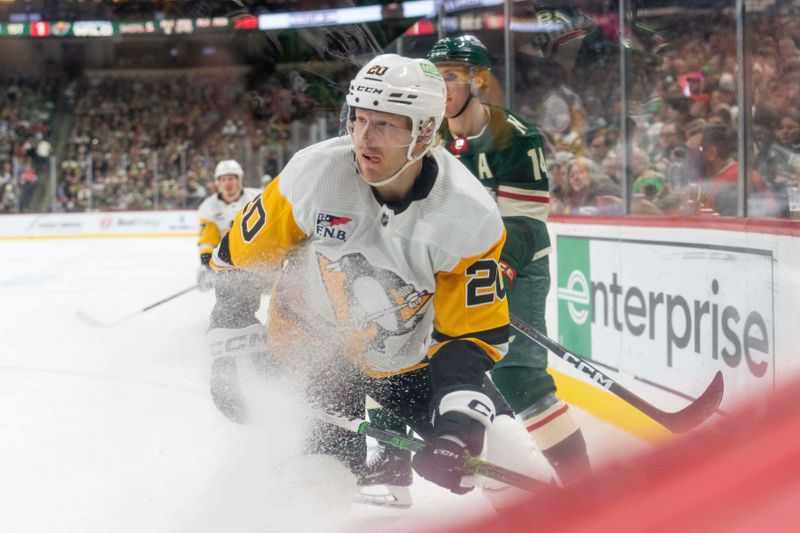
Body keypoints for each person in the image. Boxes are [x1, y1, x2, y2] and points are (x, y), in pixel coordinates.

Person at [362, 36, 592, 504]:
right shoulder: (428, 136)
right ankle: (392, 468)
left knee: (519, 379)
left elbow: (527, 221)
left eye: (451, 76)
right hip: (452, 268)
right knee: (393, 347)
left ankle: (586, 488)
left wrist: (502, 265)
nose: (441, 85)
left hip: (517, 267)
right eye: (437, 75)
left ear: (478, 80)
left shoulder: (514, 136)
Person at [196, 159, 260, 291]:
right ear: (217, 183)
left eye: (231, 178)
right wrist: (207, 265)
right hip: (227, 263)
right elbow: (208, 241)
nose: (227, 183)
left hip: (257, 259)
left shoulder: (256, 198)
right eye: (223, 179)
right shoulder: (209, 206)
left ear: (239, 180)